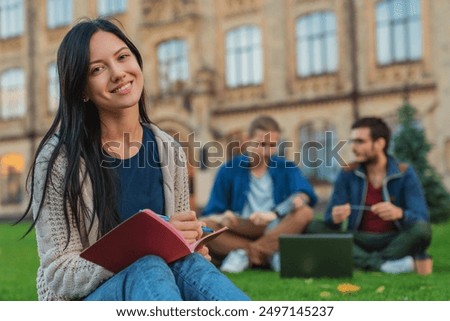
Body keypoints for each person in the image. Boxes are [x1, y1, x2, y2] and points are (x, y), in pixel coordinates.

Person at [18, 18, 249, 301]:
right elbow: (59, 274)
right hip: (81, 303)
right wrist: (142, 248)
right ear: (81, 89)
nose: (118, 73)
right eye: (97, 69)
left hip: (153, 290)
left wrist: (189, 245)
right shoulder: (56, 161)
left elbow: (178, 245)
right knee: (148, 265)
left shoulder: (169, 150)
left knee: (189, 265)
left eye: (123, 57)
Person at [306, 117, 432, 274]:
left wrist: (399, 214)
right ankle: (384, 265)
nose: (354, 148)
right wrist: (335, 217)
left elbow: (421, 218)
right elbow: (330, 220)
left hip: (393, 239)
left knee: (422, 230)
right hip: (358, 238)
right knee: (313, 227)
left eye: (360, 142)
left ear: (380, 143)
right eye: (352, 142)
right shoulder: (347, 173)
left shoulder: (404, 172)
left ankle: (362, 262)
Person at [200, 115, 318, 273]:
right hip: (240, 226)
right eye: (261, 144)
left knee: (305, 212)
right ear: (247, 140)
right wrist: (222, 217)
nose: (266, 151)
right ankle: (270, 253)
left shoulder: (286, 167)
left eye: (272, 145)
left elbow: (305, 194)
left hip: (276, 226)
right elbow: (211, 213)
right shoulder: (228, 169)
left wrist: (277, 212)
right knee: (205, 226)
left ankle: (245, 254)